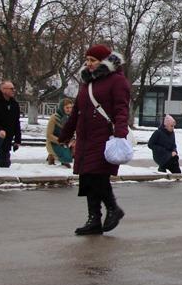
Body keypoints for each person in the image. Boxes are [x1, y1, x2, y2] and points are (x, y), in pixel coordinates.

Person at [57, 45, 130, 236]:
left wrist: (121, 131)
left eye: (93, 60)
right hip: (85, 137)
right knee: (87, 177)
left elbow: (122, 109)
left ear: (103, 61)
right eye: (87, 59)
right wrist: (65, 134)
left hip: (104, 136)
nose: (88, 63)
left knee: (97, 175)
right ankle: (94, 219)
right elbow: (76, 113)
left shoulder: (117, 81)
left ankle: (113, 209)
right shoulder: (86, 83)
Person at [45, 99, 74, 168]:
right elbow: (49, 135)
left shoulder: (70, 118)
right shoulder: (54, 118)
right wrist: (60, 140)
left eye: (70, 108)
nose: (69, 110)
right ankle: (52, 156)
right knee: (65, 159)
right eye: (67, 108)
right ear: (62, 107)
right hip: (53, 142)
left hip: (65, 143)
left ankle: (59, 157)